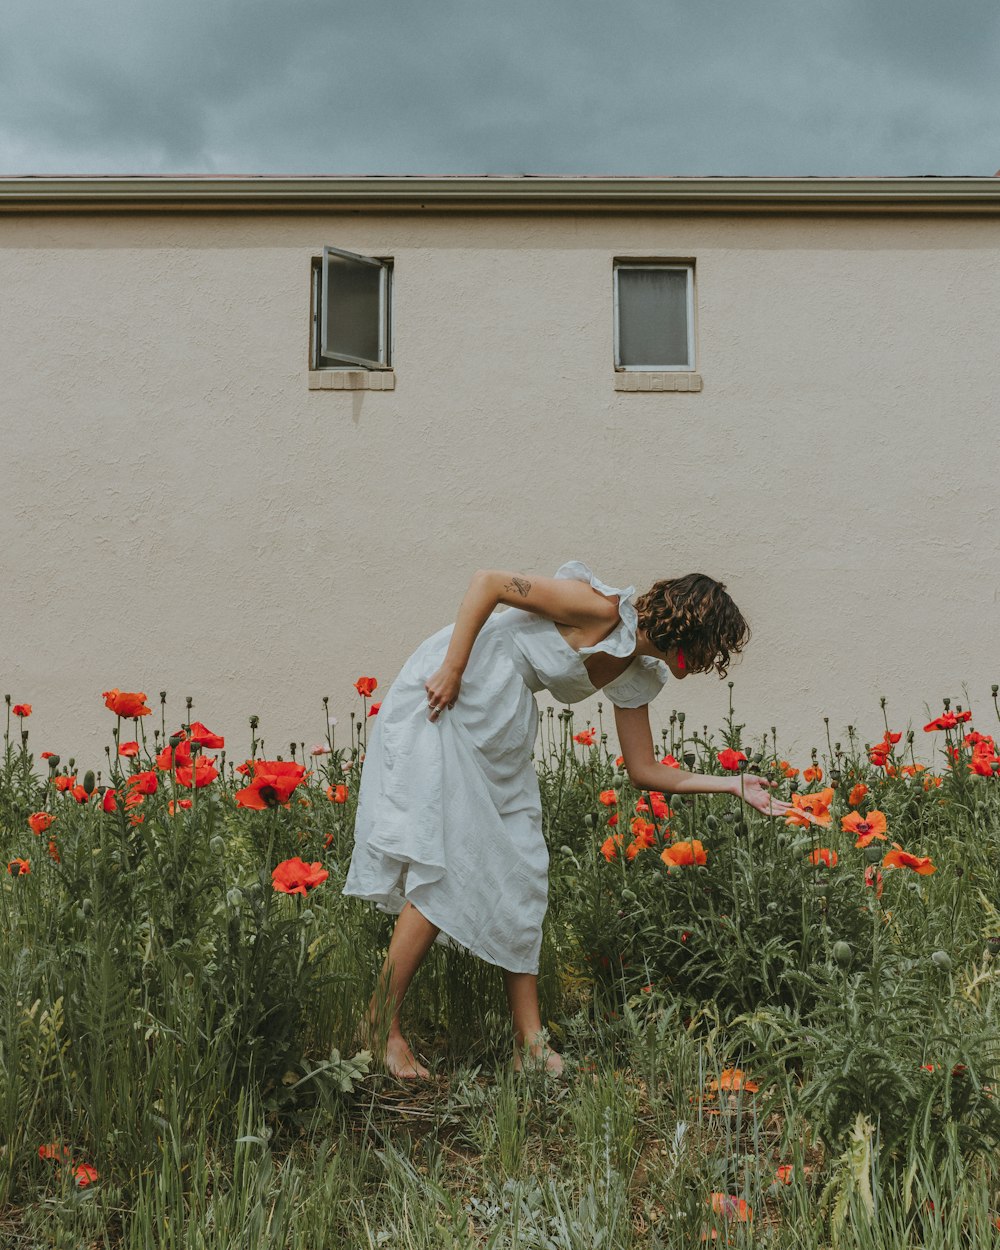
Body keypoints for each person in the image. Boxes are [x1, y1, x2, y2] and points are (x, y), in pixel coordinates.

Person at [342, 559, 808, 1080]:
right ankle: (380, 1024)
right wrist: (452, 667)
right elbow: (489, 583)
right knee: (448, 859)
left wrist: (733, 784)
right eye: (714, 649)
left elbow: (645, 770)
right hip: (458, 692)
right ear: (692, 633)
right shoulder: (600, 609)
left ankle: (531, 1047)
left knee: (525, 869)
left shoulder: (637, 668)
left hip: (502, 720)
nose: (711, 664)